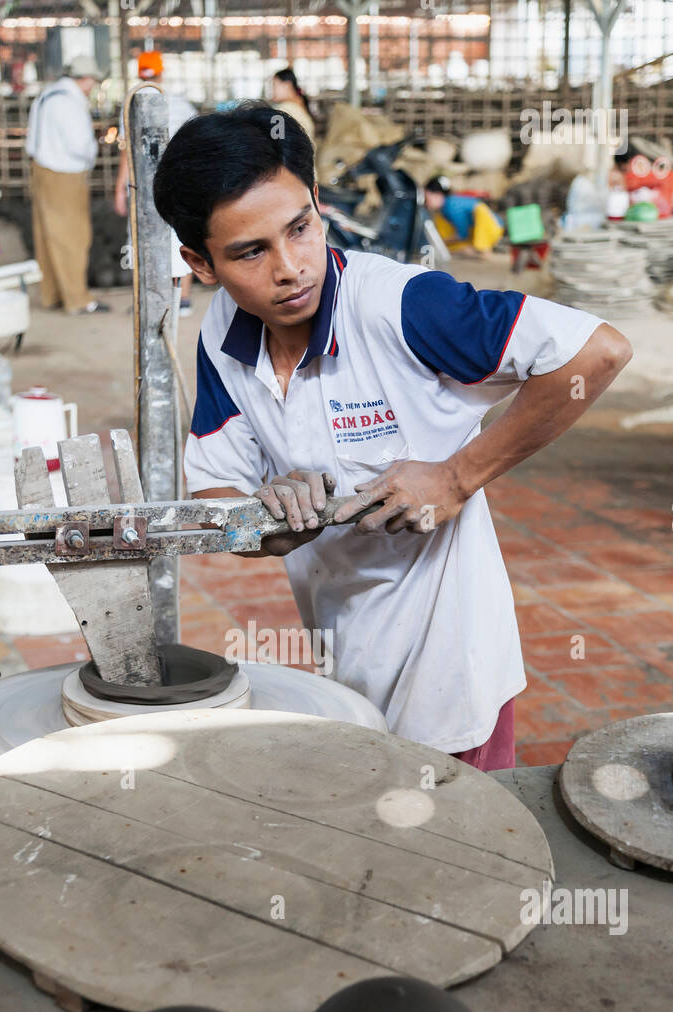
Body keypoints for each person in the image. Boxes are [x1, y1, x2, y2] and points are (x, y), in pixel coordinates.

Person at [153, 104, 632, 769]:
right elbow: (215, 483)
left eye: (300, 229)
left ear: (319, 205)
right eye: (250, 252)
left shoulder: (402, 307)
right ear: (200, 264)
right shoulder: (221, 336)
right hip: (345, 664)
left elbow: (597, 351)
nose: (291, 267)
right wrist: (259, 523)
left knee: (465, 853)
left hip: (451, 679)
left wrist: (456, 477)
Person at [115, 50, 198, 314]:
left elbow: (126, 151)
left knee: (142, 238)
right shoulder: (181, 104)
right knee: (182, 236)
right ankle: (182, 299)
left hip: (143, 186)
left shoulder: (131, 105)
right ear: (161, 73)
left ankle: (148, 300)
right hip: (180, 182)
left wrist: (120, 189)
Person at [25, 54, 109, 314]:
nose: (93, 86)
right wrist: (94, 149)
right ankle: (77, 299)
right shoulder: (69, 103)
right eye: (92, 81)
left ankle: (52, 294)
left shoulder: (47, 95)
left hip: (41, 168)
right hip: (64, 174)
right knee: (72, 236)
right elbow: (79, 145)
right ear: (84, 79)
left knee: (47, 235)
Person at [423, 175, 504, 257]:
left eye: (426, 199)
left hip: (494, 227)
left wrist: (440, 242)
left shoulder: (451, 206)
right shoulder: (444, 208)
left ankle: (483, 248)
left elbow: (463, 234)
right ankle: (474, 248)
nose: (425, 203)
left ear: (438, 194)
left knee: (480, 209)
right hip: (476, 233)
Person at [270, 68, 316, 148]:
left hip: (292, 158)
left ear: (287, 85)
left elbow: (276, 141)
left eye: (274, 85)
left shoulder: (284, 109)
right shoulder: (300, 104)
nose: (272, 91)